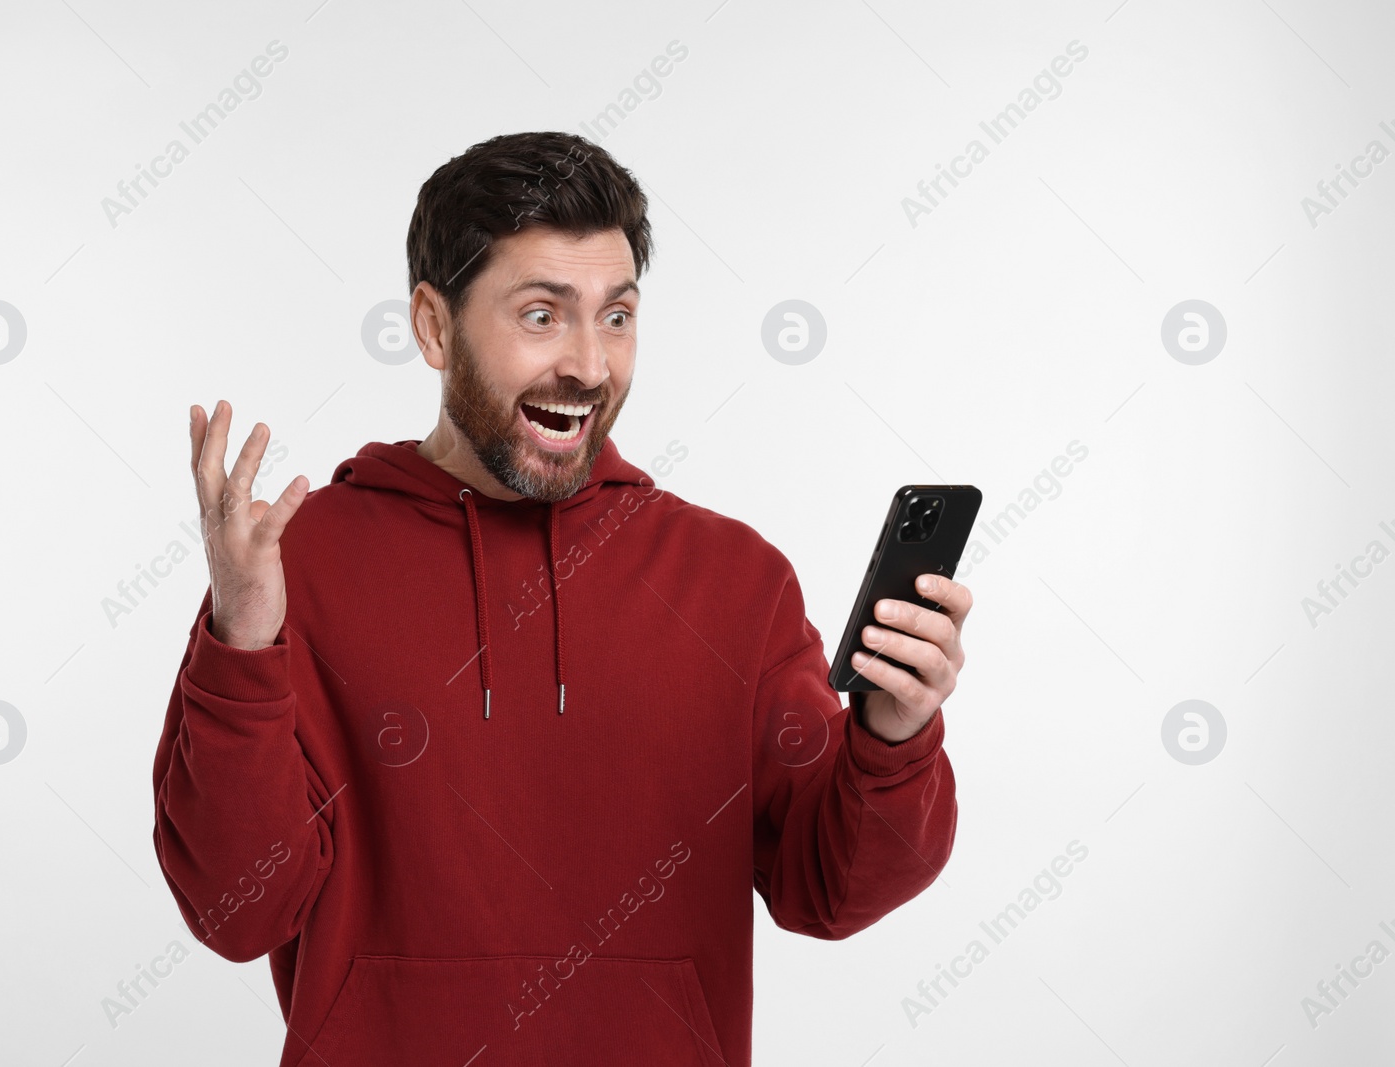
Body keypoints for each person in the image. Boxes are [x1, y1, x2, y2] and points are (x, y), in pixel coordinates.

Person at [152, 130, 969, 1066]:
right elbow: (234, 908)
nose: (588, 364)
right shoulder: (297, 568)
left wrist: (895, 738)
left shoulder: (736, 581)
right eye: (542, 315)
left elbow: (832, 889)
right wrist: (241, 645)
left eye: (615, 316)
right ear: (432, 325)